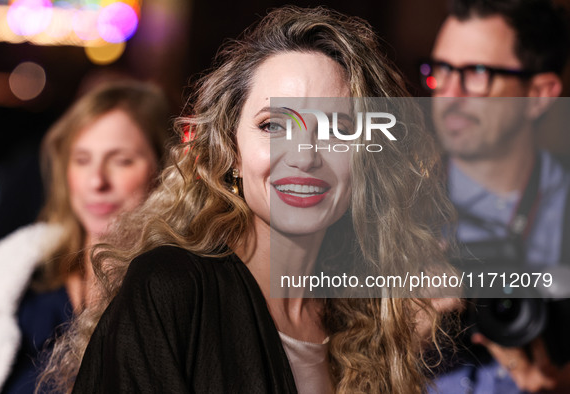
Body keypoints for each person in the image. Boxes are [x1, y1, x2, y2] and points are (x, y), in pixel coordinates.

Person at [43, 6, 454, 394]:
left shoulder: (369, 319)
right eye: (273, 125)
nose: (304, 155)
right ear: (231, 151)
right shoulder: (171, 290)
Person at [0, 80, 170, 394]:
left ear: (165, 167)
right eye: (81, 160)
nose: (96, 181)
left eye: (121, 160)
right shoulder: (18, 290)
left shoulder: (183, 297)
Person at [420, 0, 570, 392]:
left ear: (538, 95)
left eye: (476, 74)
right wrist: (391, 333)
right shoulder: (391, 208)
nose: (449, 94)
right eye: (440, 70)